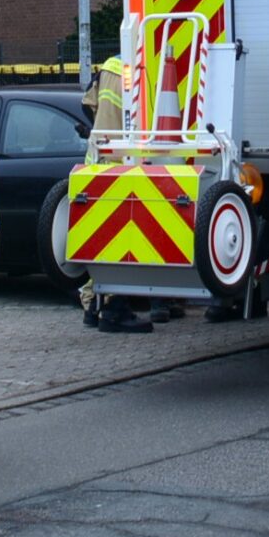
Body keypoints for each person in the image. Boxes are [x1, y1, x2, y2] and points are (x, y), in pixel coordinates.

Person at [77, 52, 152, 334]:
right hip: (118, 165)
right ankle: (112, 308)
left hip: (96, 160)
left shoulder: (109, 65)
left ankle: (91, 306)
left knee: (97, 240)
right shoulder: (141, 68)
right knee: (115, 241)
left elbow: (88, 104)